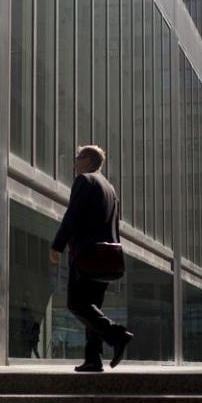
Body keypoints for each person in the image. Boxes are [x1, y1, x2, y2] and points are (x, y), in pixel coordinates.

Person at [49, 145, 133, 372]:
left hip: (87, 254)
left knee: (76, 303)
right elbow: (115, 224)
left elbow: (72, 216)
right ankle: (93, 359)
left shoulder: (85, 181)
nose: (74, 162)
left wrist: (57, 245)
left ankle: (117, 335)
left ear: (87, 160)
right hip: (106, 258)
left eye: (77, 158)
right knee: (92, 307)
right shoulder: (109, 188)